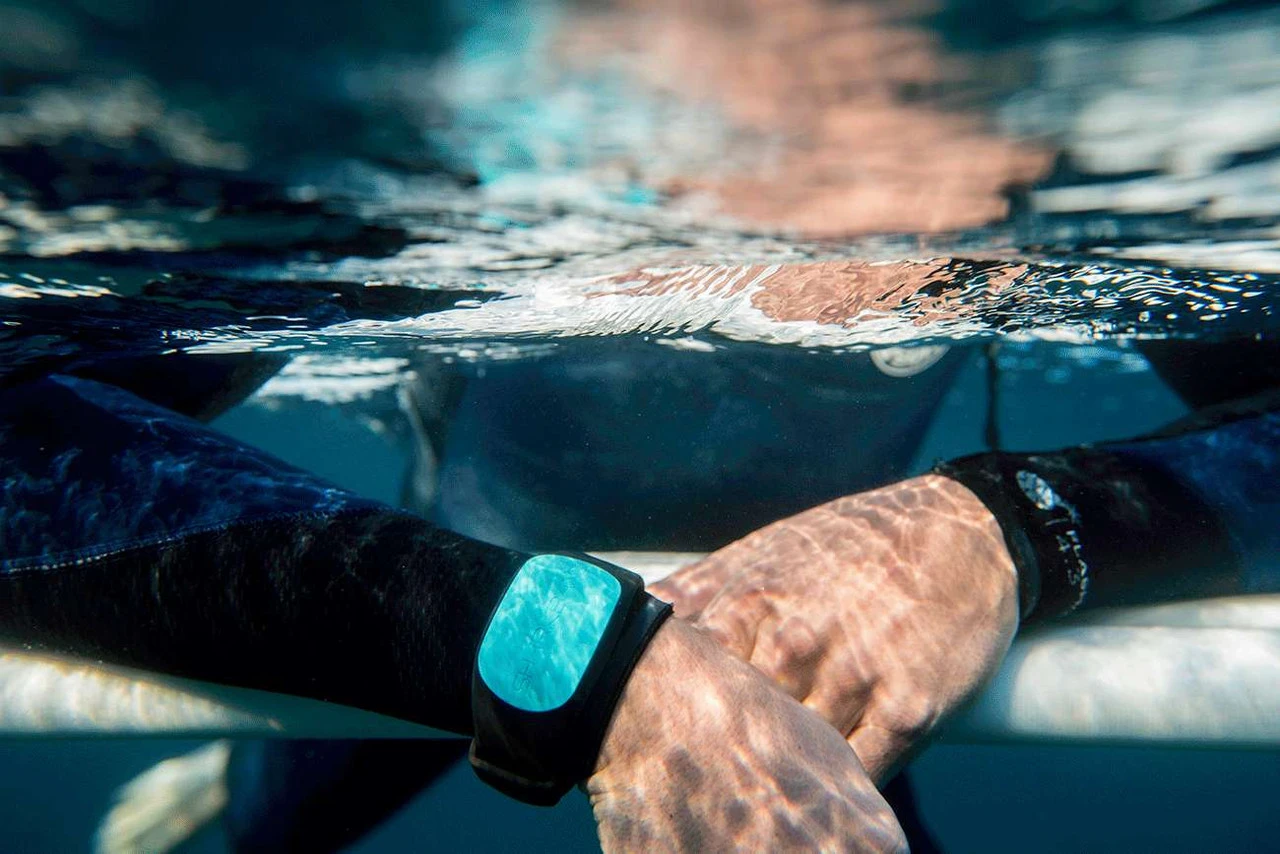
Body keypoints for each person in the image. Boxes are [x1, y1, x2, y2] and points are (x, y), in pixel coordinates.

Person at [0, 370, 908, 853]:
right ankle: (234, 779)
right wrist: (607, 669)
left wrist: (984, 513)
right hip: (457, 586)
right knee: (279, 821)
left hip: (789, 624)